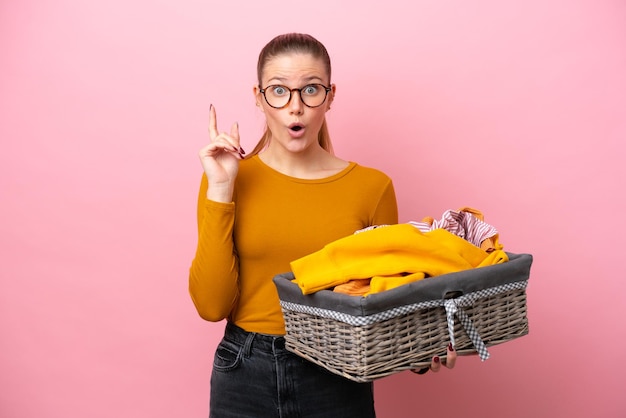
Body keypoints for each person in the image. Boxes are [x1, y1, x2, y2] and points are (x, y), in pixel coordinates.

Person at [189, 33, 457, 418]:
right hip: (244, 370)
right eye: (279, 91)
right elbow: (211, 306)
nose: (295, 107)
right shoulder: (226, 178)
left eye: (310, 90)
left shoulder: (371, 188)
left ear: (330, 96)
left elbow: (384, 297)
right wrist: (220, 187)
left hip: (337, 373)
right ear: (258, 96)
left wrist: (418, 350)